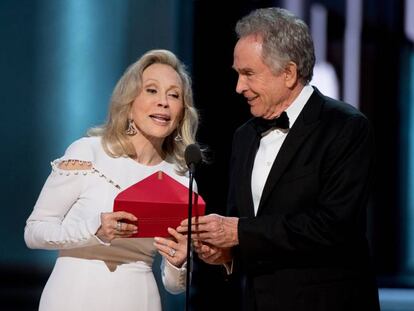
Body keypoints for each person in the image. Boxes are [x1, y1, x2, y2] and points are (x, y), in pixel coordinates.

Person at [179, 7, 380, 311]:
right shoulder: (244, 136)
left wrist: (237, 232)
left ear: (288, 73)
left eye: (248, 74)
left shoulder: (346, 127)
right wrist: (225, 253)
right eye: (237, 74)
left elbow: (334, 226)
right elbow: (243, 223)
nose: (238, 87)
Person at [24, 49, 200, 311]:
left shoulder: (181, 178)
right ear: (129, 104)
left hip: (140, 300)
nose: (163, 102)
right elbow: (34, 232)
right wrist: (95, 230)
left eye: (174, 95)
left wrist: (178, 263)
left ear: (181, 114)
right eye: (151, 90)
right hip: (73, 297)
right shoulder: (88, 152)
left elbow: (174, 285)